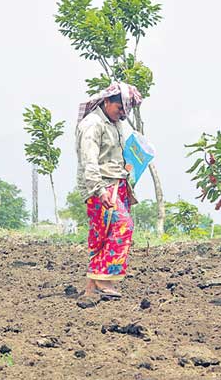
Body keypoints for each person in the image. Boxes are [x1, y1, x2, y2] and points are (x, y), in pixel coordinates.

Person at [75, 82, 142, 300]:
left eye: (126, 110)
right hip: (102, 186)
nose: (123, 113)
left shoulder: (115, 124)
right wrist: (98, 189)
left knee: (101, 236)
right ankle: (104, 278)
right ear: (106, 102)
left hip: (117, 183)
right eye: (119, 108)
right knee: (123, 227)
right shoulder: (93, 124)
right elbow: (89, 160)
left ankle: (91, 289)